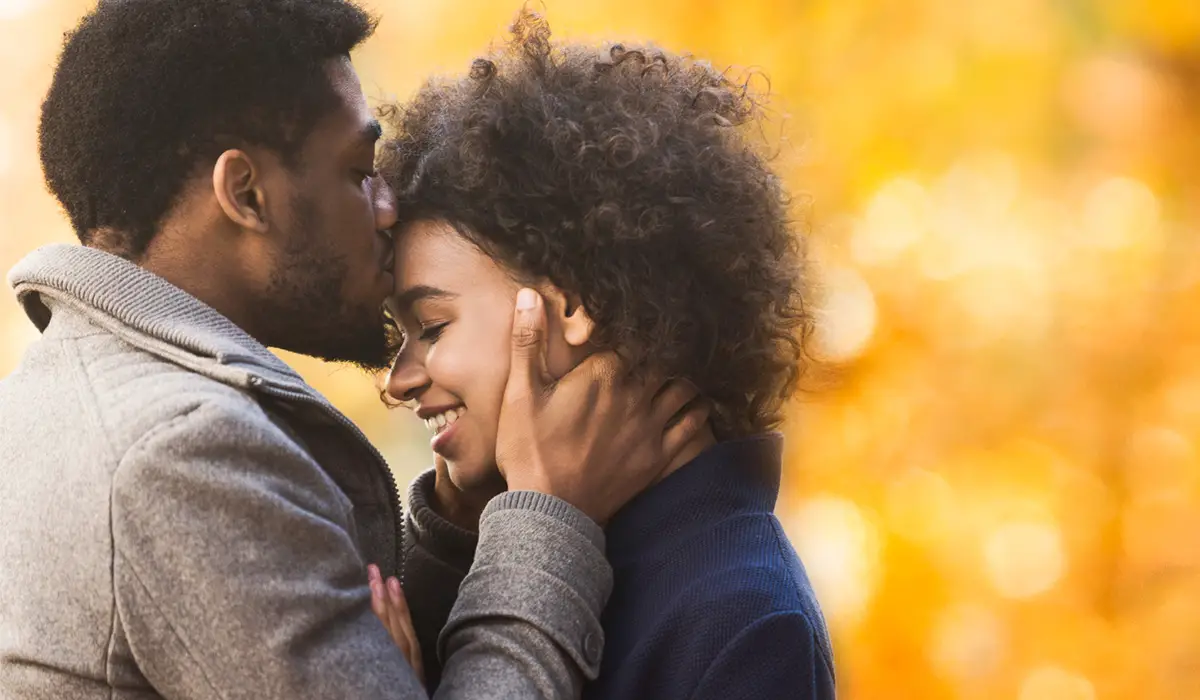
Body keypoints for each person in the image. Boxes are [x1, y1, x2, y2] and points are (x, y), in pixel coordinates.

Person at [0, 2, 706, 698]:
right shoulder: (180, 454)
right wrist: (549, 517)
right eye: (357, 170)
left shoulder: (59, 403)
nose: (387, 205)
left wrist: (454, 537)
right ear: (246, 194)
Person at [375, 11, 837, 699]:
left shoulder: (743, 617)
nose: (396, 381)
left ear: (567, 306)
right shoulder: (528, 541)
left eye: (432, 326)